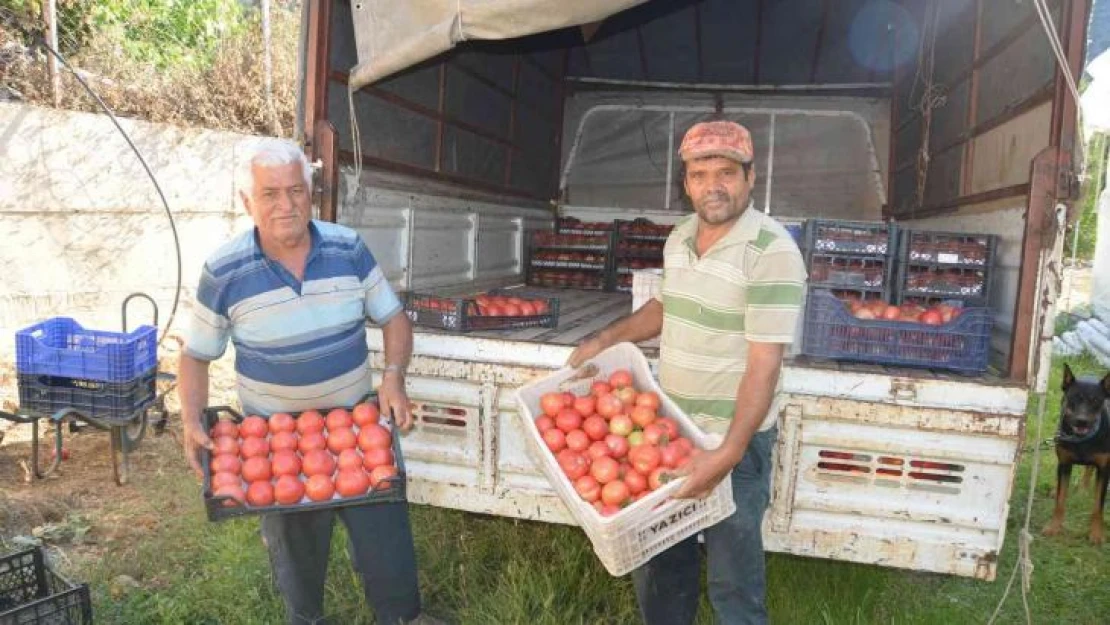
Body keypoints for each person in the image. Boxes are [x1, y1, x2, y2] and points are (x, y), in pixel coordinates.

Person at [177, 138, 442, 625]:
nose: (286, 205)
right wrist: (191, 417)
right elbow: (195, 355)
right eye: (270, 193)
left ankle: (401, 616)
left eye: (296, 191)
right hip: (274, 441)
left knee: (386, 541)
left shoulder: (347, 247)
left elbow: (394, 318)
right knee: (295, 556)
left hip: (361, 429)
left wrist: (394, 376)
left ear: (312, 193)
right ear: (246, 202)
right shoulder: (224, 271)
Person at [567, 120, 806, 625]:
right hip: (668, 426)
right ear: (686, 181)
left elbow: (764, 363)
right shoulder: (679, 237)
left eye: (725, 172)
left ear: (750, 176)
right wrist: (606, 338)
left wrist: (727, 454)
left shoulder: (772, 250)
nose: (711, 185)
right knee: (661, 561)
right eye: (699, 174)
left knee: (732, 578)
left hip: (731, 438)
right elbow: (665, 306)